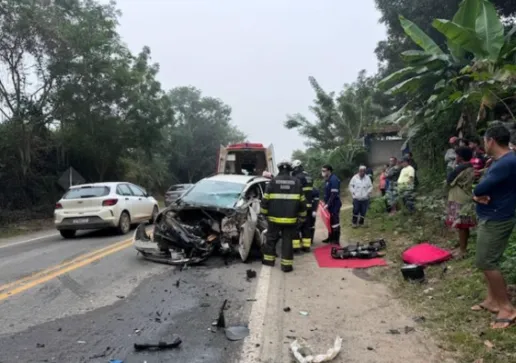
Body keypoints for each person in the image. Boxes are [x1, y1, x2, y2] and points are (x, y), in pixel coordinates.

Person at [470, 124, 516, 328]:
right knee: (489, 258)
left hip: (497, 216)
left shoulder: (505, 163)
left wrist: (476, 193)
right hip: (494, 212)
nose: (484, 145)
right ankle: (492, 300)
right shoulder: (504, 160)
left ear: (491, 141)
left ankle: (507, 307)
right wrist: (477, 195)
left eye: (484, 141)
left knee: (486, 261)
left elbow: (481, 187)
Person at [260, 160, 306, 273]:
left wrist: (264, 213)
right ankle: (286, 266)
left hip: (273, 219)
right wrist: (302, 216)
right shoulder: (297, 182)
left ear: (279, 169)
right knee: (287, 242)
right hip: (291, 219)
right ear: (290, 170)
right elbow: (302, 202)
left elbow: (265, 200)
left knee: (271, 239)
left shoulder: (273, 182)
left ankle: (269, 261)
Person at [445, 147, 476, 259]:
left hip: (458, 198)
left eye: (457, 155)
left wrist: (453, 166)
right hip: (466, 197)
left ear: (461, 157)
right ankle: (463, 248)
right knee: (465, 225)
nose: (455, 157)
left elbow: (449, 180)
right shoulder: (470, 166)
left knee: (461, 226)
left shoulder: (460, 168)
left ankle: (462, 251)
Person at [292, 160, 314, 252]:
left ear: (296, 167)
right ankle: (306, 246)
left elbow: (295, 193)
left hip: (300, 206)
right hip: (309, 205)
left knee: (296, 227)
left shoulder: (297, 177)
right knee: (306, 226)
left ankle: (296, 247)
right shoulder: (309, 176)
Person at [321, 164, 342, 244]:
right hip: (329, 204)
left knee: (335, 222)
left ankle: (336, 240)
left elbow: (333, 194)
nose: (322, 172)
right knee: (329, 221)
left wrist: (328, 204)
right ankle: (330, 237)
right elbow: (327, 193)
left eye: (324, 171)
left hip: (334, 204)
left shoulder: (334, 179)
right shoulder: (328, 179)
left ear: (329, 171)